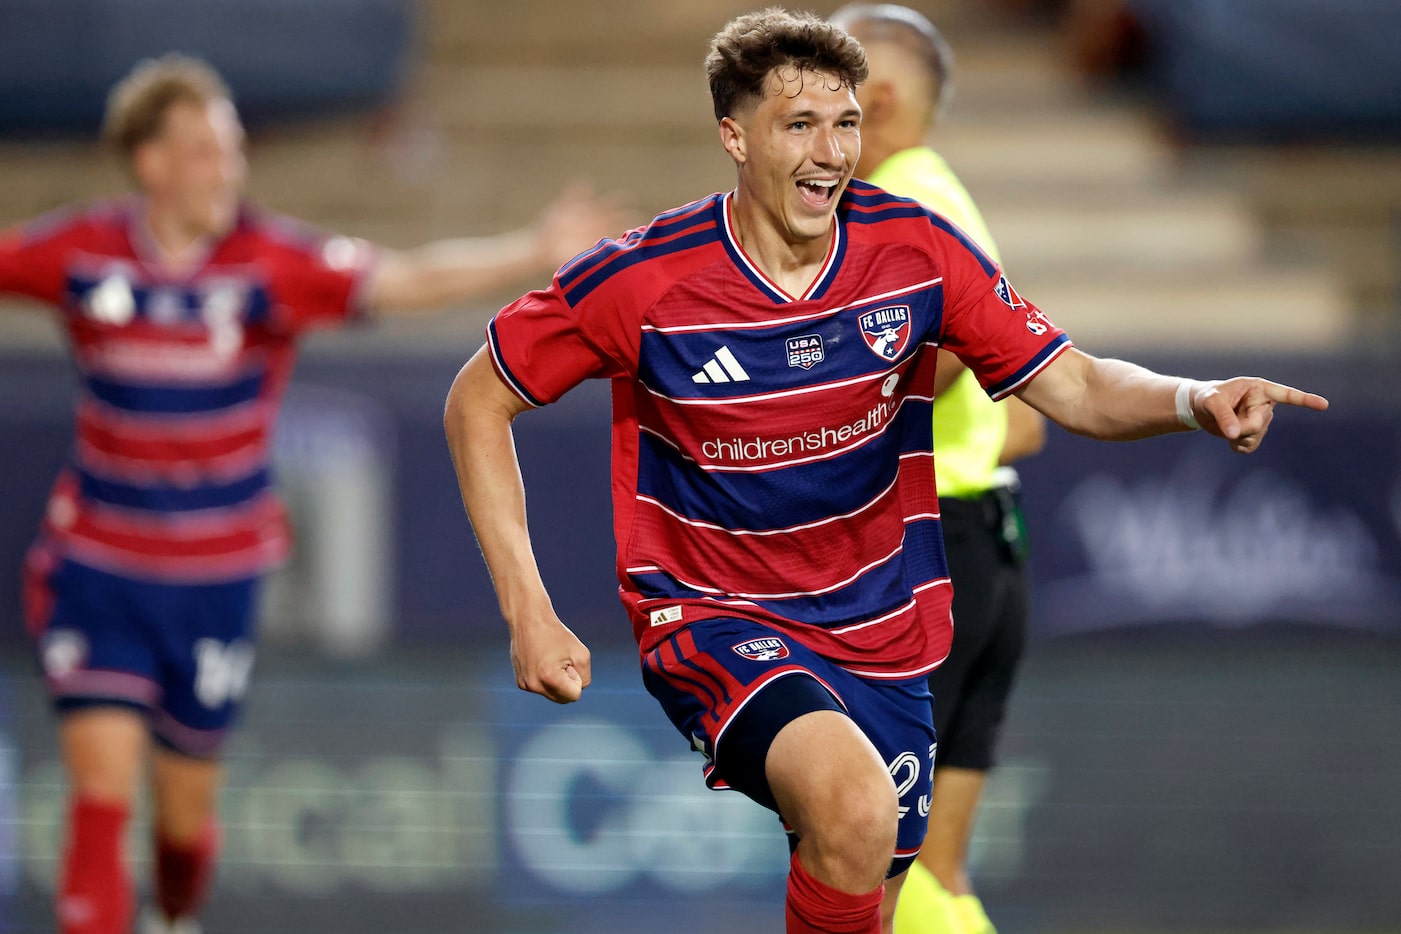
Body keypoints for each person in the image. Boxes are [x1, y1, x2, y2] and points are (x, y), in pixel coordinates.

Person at [442, 9, 1327, 934]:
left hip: (886, 627)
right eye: (799, 125)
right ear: (734, 137)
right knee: (854, 808)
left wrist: (1195, 397)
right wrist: (528, 610)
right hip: (714, 615)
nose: (830, 151)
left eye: (847, 123)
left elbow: (1072, 385)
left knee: (876, 887)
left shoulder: (914, 248)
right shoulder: (643, 279)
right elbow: (479, 398)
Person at [0, 54, 629, 934]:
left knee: (181, 824)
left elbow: (403, 278)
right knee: (100, 800)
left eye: (231, 150)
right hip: (96, 568)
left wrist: (530, 249)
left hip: (215, 581)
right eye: (203, 150)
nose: (225, 168)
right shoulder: (83, 254)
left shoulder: (269, 262)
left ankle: (174, 914)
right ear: (150, 162)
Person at [828, 6, 1039, 933]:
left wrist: (821, 426)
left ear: (874, 96)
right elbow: (1022, 406)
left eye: (827, 79)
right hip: (987, 536)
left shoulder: (897, 199)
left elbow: (946, 345)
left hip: (931, 555)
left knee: (866, 859)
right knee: (935, 872)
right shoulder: (942, 189)